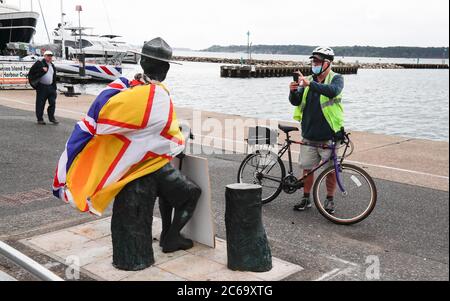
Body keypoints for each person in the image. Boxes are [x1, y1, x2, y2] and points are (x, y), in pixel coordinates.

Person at [53, 37, 201, 253]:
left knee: (170, 191)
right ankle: (171, 238)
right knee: (191, 193)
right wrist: (182, 135)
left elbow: (147, 125)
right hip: (148, 162)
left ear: (142, 62)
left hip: (140, 158)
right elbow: (169, 139)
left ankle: (167, 235)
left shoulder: (129, 88)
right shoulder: (156, 96)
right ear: (166, 68)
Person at [289, 46, 345, 214]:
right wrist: (292, 92)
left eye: (318, 61)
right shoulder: (306, 80)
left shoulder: (336, 79)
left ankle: (329, 200)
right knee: (307, 168)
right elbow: (296, 101)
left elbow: (333, 92)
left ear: (327, 63)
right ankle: (306, 199)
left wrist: (310, 84)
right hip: (309, 133)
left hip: (329, 135)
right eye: (313, 61)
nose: (314, 64)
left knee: (331, 171)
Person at [28, 50, 59, 125]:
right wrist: (41, 70)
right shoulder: (40, 63)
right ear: (44, 56)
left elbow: (53, 77)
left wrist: (54, 87)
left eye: (51, 56)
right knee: (40, 103)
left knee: (52, 103)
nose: (50, 57)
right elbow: (31, 73)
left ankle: (52, 118)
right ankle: (40, 119)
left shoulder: (52, 65)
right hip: (42, 87)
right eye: (48, 56)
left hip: (51, 87)